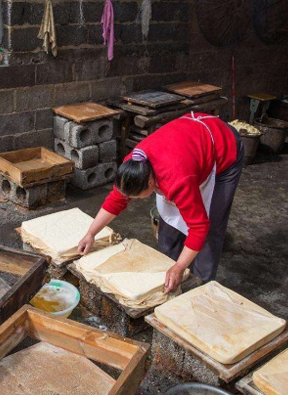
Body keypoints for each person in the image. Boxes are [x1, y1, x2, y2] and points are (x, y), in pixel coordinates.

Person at [77, 112, 245, 294]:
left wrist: (180, 267)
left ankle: (201, 285)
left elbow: (199, 227)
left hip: (223, 148)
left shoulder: (177, 180)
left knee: (211, 224)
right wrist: (91, 233)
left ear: (151, 183)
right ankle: (168, 270)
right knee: (170, 220)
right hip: (188, 142)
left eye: (138, 196)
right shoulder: (134, 164)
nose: (133, 199)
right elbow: (116, 200)